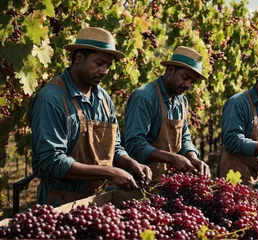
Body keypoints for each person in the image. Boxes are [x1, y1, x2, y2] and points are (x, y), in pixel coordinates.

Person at [30, 27, 152, 206]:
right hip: (60, 203)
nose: (104, 71)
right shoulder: (51, 99)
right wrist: (110, 172)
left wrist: (130, 162)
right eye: (99, 63)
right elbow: (52, 161)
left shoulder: (103, 99)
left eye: (108, 66)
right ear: (79, 58)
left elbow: (114, 147)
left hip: (97, 201)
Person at [124, 46, 211, 183]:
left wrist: (193, 157)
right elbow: (134, 144)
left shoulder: (182, 101)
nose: (188, 84)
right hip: (141, 182)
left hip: (169, 183)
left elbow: (184, 138)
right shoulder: (144, 97)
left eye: (192, 81)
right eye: (185, 77)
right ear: (170, 71)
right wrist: (173, 158)